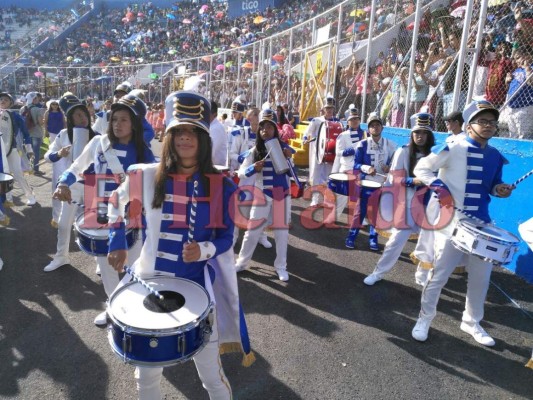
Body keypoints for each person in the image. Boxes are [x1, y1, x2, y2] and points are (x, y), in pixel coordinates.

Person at [107, 90, 236, 399]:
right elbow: (114, 202)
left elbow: (226, 238)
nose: (185, 138)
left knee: (212, 377)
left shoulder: (222, 186)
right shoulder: (146, 175)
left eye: (194, 131)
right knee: (147, 376)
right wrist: (118, 242)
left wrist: (203, 250)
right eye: (179, 131)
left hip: (197, 287)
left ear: (204, 139)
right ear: (169, 135)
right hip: (148, 282)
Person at [411, 100, 514, 347]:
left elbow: (493, 185)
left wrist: (500, 190)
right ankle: (424, 318)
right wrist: (440, 189)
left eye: (492, 122)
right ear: (469, 126)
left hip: (481, 225)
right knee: (439, 275)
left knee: (481, 278)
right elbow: (421, 169)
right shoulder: (452, 147)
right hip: (452, 223)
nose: (488, 126)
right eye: (482, 121)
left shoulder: (495, 156)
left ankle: (471, 321)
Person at [50, 94, 155, 326]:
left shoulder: (143, 152)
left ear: (135, 123)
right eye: (114, 119)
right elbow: (77, 168)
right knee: (107, 267)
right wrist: (63, 183)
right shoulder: (98, 142)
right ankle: (113, 306)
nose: (117, 124)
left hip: (132, 216)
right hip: (98, 212)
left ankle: (132, 306)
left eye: (124, 120)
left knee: (133, 266)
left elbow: (154, 184)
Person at [363, 113, 435, 285]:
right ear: (412, 134)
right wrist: (413, 181)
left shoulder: (436, 153)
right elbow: (393, 180)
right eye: (417, 132)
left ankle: (422, 274)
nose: (420, 136)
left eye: (424, 133)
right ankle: (378, 273)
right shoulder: (403, 151)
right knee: (395, 242)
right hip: (410, 205)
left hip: (431, 206)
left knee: (429, 243)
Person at [234, 109, 294, 281]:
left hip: (281, 195)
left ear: (276, 129)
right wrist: (254, 168)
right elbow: (241, 173)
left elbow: (293, 175)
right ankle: (242, 262)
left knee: (282, 234)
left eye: (269, 126)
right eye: (262, 127)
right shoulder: (255, 150)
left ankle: (281, 266)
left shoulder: (285, 149)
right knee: (252, 231)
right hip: (261, 194)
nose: (265, 130)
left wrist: (289, 159)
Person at [345, 113, 397, 250]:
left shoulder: (391, 145)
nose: (375, 127)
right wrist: (367, 168)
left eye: (377, 125)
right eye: (372, 126)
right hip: (366, 182)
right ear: (368, 129)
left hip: (381, 183)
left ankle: (373, 239)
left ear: (382, 128)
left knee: (376, 212)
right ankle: (351, 237)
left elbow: (396, 160)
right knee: (360, 211)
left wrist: (389, 166)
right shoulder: (362, 144)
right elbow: (356, 164)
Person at [44, 93, 96, 229]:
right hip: (69, 180)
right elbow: (48, 156)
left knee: (85, 217)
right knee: (65, 217)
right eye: (78, 115)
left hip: (90, 180)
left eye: (84, 114)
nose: (83, 118)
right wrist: (59, 154)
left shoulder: (96, 136)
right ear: (70, 119)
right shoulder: (63, 134)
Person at [303, 96, 341, 207]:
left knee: (329, 176)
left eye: (331, 108)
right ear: (323, 109)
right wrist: (305, 139)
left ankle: (327, 199)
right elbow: (306, 134)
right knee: (315, 175)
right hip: (317, 152)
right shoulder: (316, 120)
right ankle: (316, 198)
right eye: (327, 108)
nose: (329, 110)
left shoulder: (337, 122)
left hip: (331, 153)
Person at [0, 92, 36, 206]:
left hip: (12, 149)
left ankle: (30, 195)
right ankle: (5, 199)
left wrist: (29, 149)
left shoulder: (15, 116)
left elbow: (25, 133)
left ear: (11, 103)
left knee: (17, 174)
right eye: (1, 99)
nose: (2, 101)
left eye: (6, 99)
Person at [331, 107, 366, 221]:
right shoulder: (343, 135)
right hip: (346, 168)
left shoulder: (365, 134)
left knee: (359, 195)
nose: (355, 121)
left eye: (356, 119)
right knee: (341, 195)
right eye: (352, 119)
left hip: (359, 169)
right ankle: (334, 216)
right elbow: (338, 152)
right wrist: (349, 151)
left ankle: (360, 219)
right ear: (348, 121)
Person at [25, 92, 46, 175]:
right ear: (34, 99)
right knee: (35, 152)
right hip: (37, 133)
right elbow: (41, 123)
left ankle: (26, 168)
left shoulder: (23, 108)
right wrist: (44, 121)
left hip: (27, 133)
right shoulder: (37, 109)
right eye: (37, 98)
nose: (38, 99)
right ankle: (36, 170)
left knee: (27, 151)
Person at [209, 100, 227, 166]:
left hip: (215, 169)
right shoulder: (210, 126)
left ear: (214, 114)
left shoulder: (216, 128)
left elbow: (210, 152)